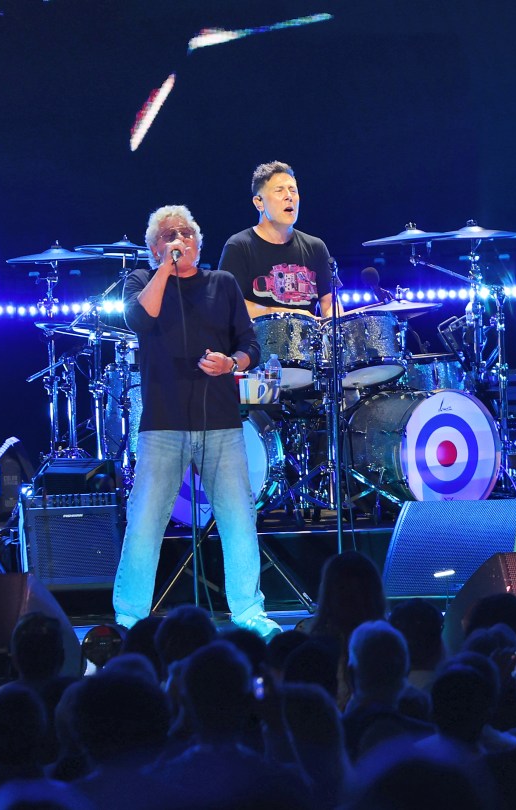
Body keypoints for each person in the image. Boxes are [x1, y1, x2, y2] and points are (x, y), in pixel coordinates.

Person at [113, 204, 280, 639]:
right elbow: (139, 318)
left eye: (185, 233)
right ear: (154, 249)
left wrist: (232, 363)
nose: (178, 240)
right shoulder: (141, 282)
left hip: (221, 422)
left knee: (238, 519)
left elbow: (250, 345)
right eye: (168, 235)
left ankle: (248, 610)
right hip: (162, 424)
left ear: (199, 242)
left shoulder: (222, 284)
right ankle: (130, 618)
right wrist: (164, 271)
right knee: (146, 522)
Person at [217, 160, 339, 320]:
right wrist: (286, 315)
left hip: (307, 344)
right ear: (259, 203)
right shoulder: (239, 246)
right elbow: (227, 304)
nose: (289, 196)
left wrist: (335, 321)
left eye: (293, 190)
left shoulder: (316, 247)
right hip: (256, 343)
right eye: (279, 191)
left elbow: (329, 304)